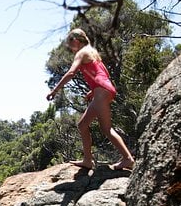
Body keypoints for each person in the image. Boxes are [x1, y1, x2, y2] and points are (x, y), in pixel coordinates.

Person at [46, 28, 135, 171]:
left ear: (75, 41)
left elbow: (71, 72)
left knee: (106, 129)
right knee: (82, 125)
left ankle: (128, 159)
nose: (70, 48)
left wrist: (55, 90)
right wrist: (92, 91)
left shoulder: (81, 53)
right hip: (103, 90)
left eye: (70, 45)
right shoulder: (93, 51)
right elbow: (103, 73)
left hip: (101, 91)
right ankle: (88, 160)